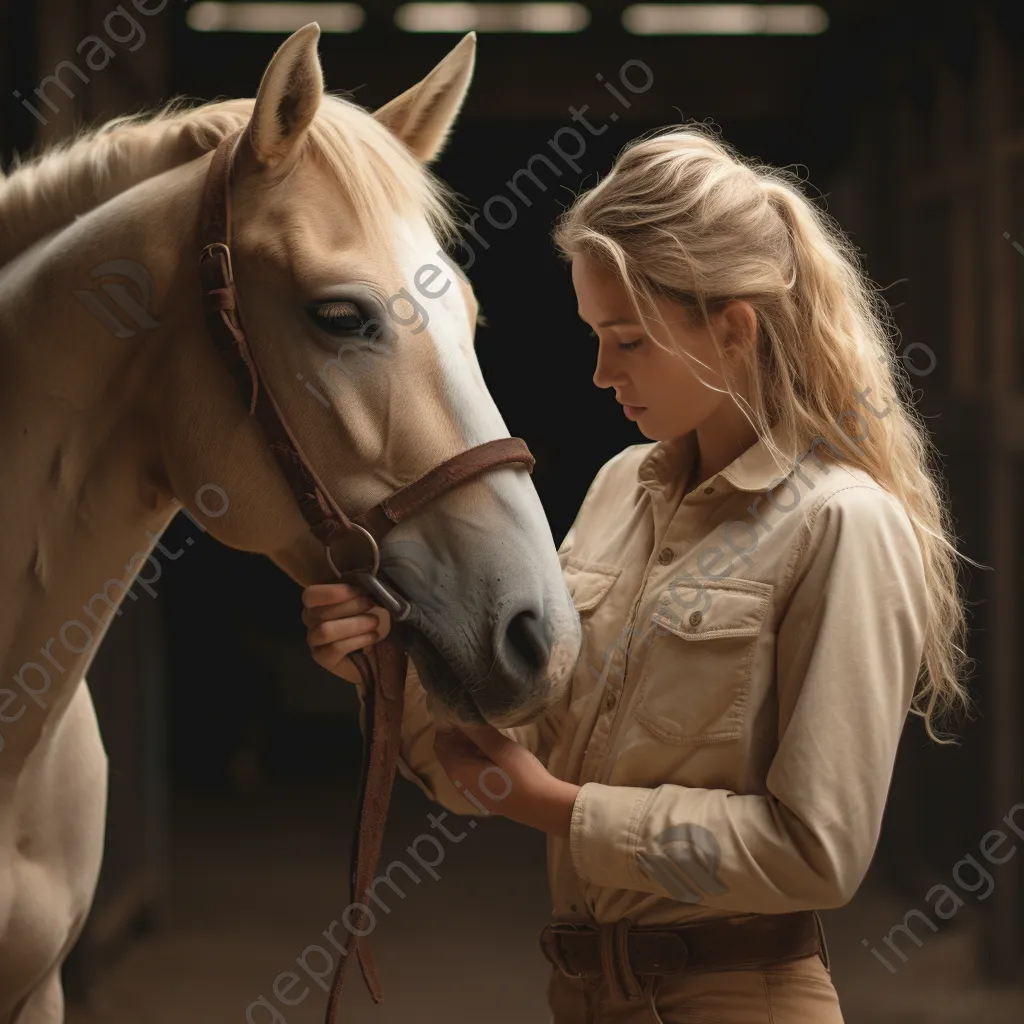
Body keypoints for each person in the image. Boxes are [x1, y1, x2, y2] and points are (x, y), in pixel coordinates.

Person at [301, 124, 971, 1023]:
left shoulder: (843, 524)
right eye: (593, 335)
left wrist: (561, 813)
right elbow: (507, 760)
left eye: (627, 340)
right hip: (578, 995)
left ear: (733, 329)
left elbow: (818, 853)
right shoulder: (622, 486)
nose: (599, 372)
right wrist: (385, 671)